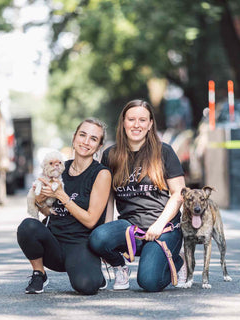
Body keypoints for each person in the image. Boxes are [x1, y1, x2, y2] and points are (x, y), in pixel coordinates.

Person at [89, 99, 186, 292]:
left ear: (150, 124)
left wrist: (159, 225)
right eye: (131, 119)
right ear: (123, 122)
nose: (136, 125)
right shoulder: (110, 155)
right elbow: (108, 198)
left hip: (163, 229)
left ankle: (178, 261)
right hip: (130, 230)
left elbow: (178, 194)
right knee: (97, 238)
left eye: (142, 120)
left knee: (149, 282)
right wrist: (107, 233)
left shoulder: (164, 151)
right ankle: (120, 267)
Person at [17, 118, 111, 295]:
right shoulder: (59, 168)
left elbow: (91, 221)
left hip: (80, 243)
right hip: (53, 243)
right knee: (27, 226)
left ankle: (94, 273)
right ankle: (39, 274)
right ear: (74, 138)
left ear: (99, 146)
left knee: (87, 286)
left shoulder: (101, 174)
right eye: (82, 135)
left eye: (93, 138)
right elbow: (47, 211)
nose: (85, 141)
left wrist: (61, 195)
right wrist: (40, 199)